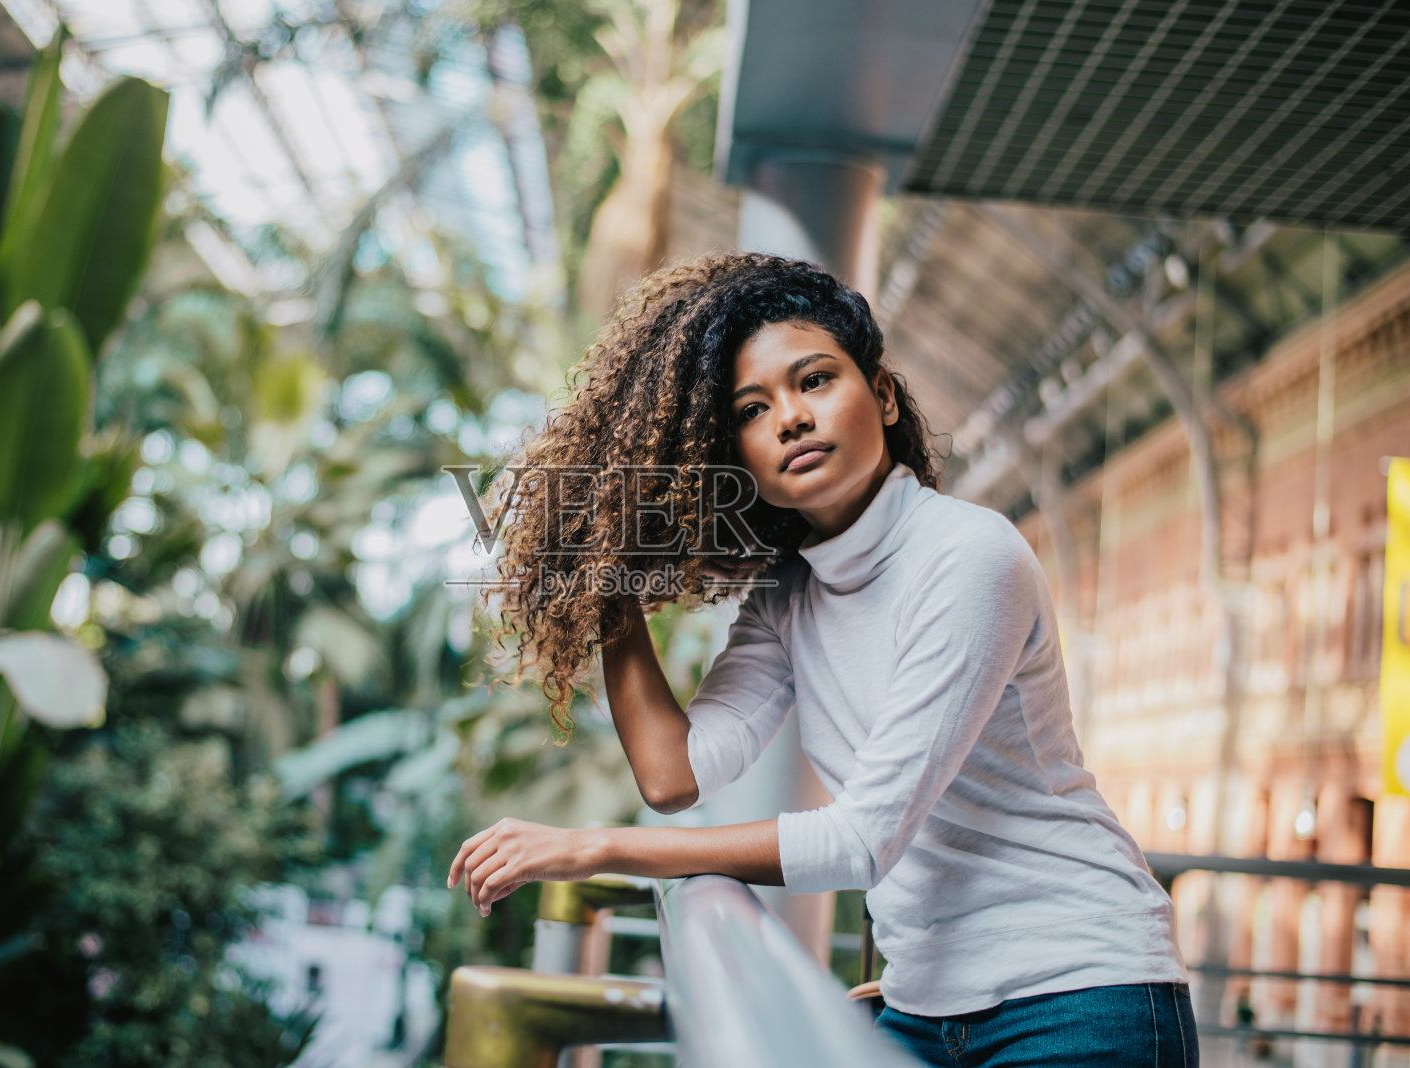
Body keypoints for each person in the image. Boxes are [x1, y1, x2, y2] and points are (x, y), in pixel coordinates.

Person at [448, 253, 1198, 1066]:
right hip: (924, 1003)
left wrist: (593, 847)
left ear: (880, 394)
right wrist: (609, 574)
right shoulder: (789, 594)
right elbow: (675, 775)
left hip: (1081, 1000)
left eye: (814, 381)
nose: (790, 419)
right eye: (751, 408)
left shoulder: (970, 557)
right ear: (731, 454)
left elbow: (859, 843)